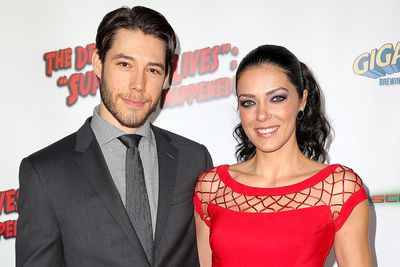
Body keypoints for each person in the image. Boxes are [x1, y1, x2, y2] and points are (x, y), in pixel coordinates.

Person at [16, 6, 212, 267]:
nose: (138, 84)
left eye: (152, 70)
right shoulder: (45, 173)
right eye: (124, 64)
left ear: (167, 77)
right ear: (98, 63)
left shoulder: (195, 159)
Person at [194, 45, 372, 266]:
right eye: (248, 103)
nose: (261, 115)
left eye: (276, 98)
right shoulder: (211, 187)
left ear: (302, 100)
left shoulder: (339, 189)